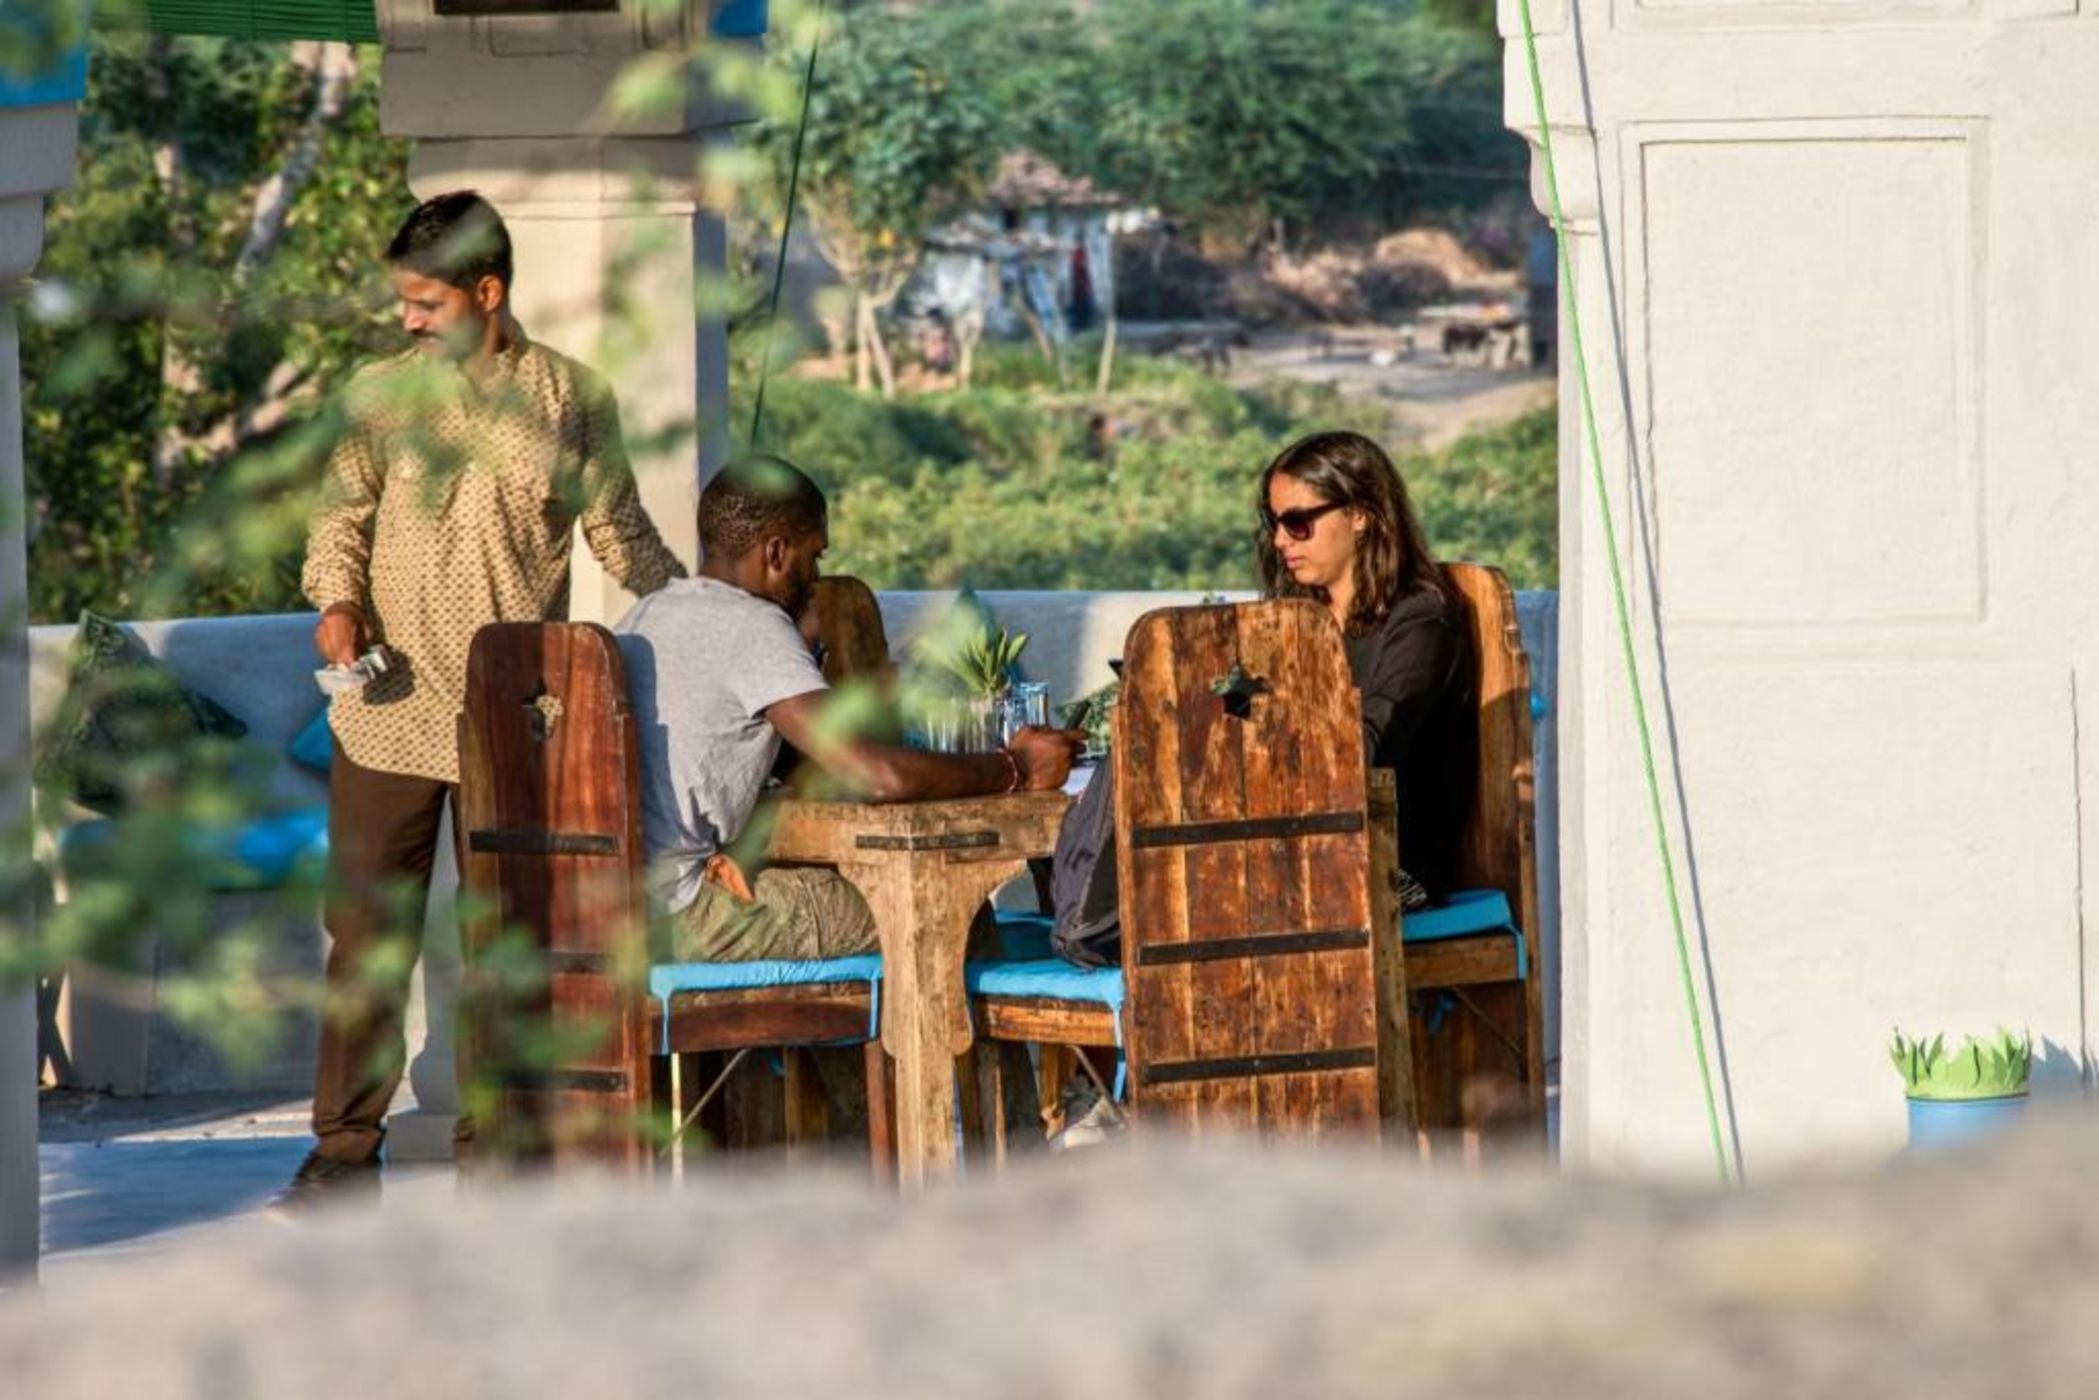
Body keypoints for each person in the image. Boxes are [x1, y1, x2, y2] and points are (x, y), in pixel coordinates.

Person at [283, 191, 686, 1207]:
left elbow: (621, 535)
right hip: (384, 712)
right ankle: (341, 1155)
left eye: (423, 302)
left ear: (487, 291)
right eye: (405, 303)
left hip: (515, 721)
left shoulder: (571, 397)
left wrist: (710, 614)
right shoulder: (376, 393)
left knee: (507, 947)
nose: (407, 320)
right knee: (364, 942)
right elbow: (337, 521)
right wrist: (336, 604)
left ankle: (495, 1156)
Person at [615, 455, 1083, 963]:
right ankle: (959, 1047)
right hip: (685, 917)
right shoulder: (750, 624)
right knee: (942, 908)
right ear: (776, 552)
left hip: (614, 915)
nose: (816, 576)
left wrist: (809, 655)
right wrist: (1017, 767)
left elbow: (795, 764)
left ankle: (848, 1040)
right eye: (814, 556)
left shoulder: (648, 614)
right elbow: (879, 778)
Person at [1050, 428, 1476, 967]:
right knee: (1149, 754)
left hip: (1387, 866)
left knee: (1168, 911)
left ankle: (1099, 935)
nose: (1281, 541)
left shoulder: (1419, 622)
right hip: (1303, 840)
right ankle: (1095, 927)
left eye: (1298, 523)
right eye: (1274, 523)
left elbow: (1363, 748)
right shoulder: (1301, 619)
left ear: (1362, 515)